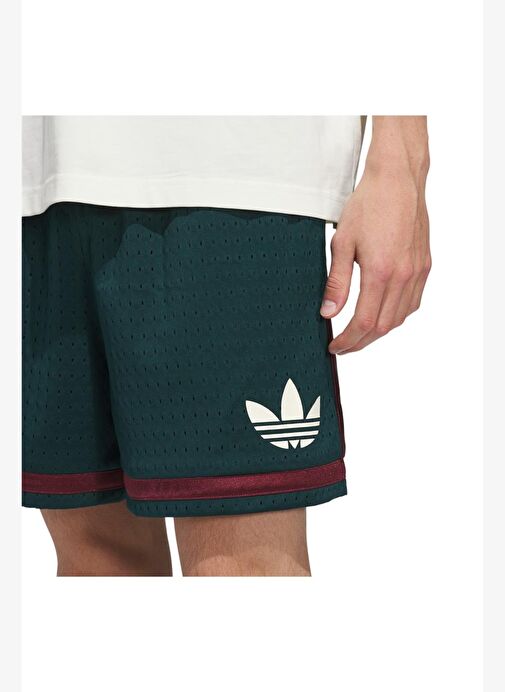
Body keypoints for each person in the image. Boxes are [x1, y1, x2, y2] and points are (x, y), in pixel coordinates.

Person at [22, 116, 430, 576]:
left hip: (237, 175)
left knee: (243, 566)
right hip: (36, 178)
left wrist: (402, 162)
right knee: (97, 558)